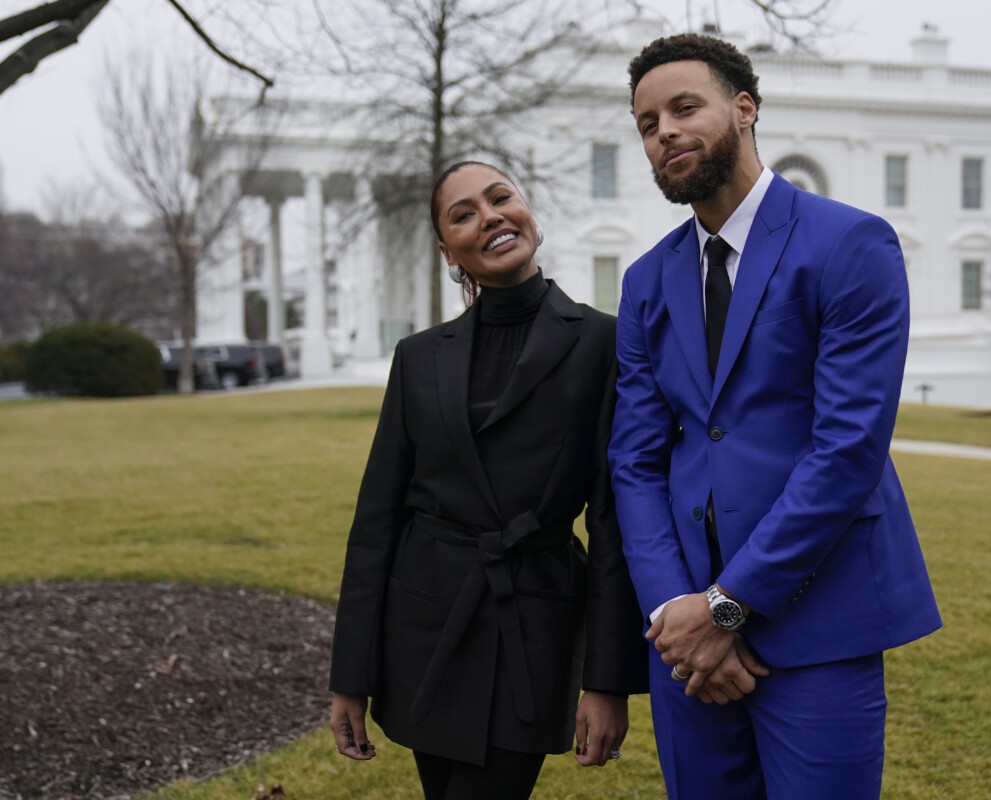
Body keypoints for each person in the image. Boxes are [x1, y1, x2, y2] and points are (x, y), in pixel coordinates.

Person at [608, 34, 942, 799]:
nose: (665, 131)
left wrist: (729, 607)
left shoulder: (849, 243)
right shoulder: (645, 282)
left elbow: (847, 450)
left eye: (685, 107)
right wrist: (675, 614)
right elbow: (634, 461)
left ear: (745, 109)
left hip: (819, 621)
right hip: (685, 641)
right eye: (648, 122)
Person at [329, 161, 648, 800]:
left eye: (500, 198)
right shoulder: (418, 357)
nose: (490, 216)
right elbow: (376, 521)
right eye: (464, 213)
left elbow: (615, 525)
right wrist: (350, 676)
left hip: (530, 625)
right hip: (423, 625)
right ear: (450, 251)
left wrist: (606, 679)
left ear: (528, 211)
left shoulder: (604, 344)